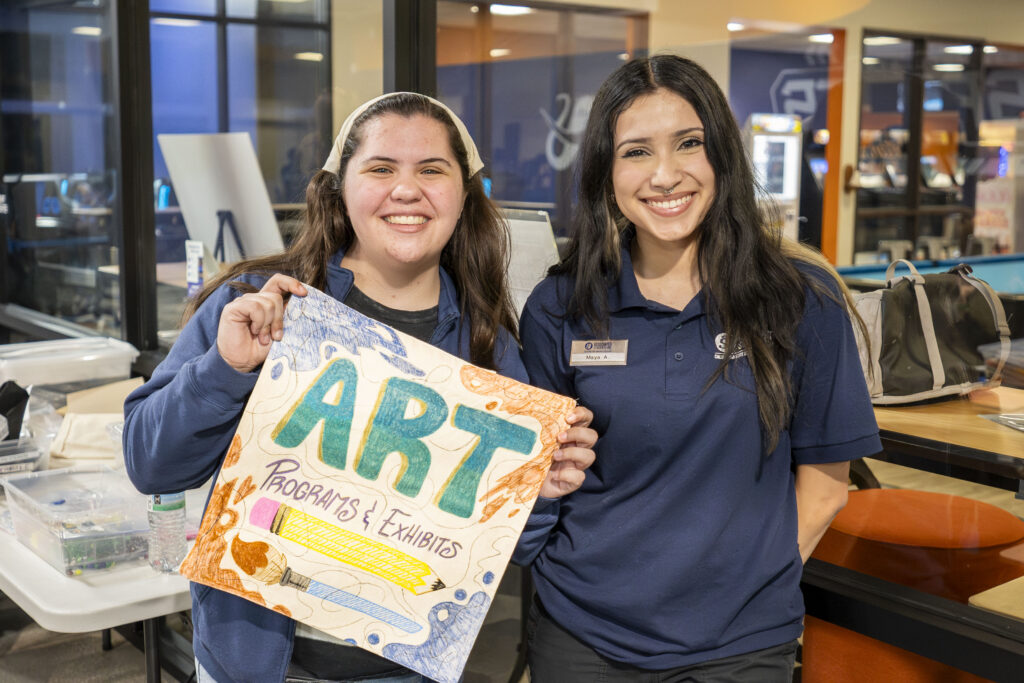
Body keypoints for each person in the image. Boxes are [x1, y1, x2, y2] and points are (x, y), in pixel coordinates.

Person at [123, 92, 596, 683]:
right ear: (339, 187)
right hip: (255, 667)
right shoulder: (263, 305)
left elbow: (517, 550)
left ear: (462, 196)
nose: (406, 189)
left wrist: (533, 493)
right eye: (380, 168)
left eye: (431, 170)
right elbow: (151, 463)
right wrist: (225, 367)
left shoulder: (488, 351)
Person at [514, 55, 881, 681]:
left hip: (740, 647)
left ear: (725, 160)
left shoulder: (801, 299)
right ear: (606, 174)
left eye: (690, 144)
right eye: (635, 152)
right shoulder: (561, 306)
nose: (665, 175)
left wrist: (743, 593)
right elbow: (533, 478)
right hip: (581, 636)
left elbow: (825, 489)